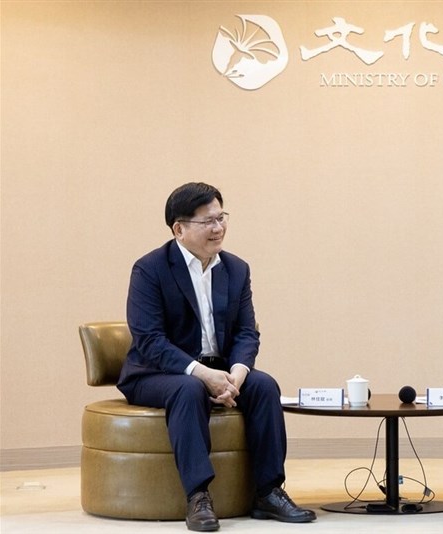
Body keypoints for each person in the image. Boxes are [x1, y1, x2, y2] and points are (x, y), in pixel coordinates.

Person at [117, 182, 316, 531]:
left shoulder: (236, 269)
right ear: (179, 229)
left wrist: (237, 374)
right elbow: (149, 339)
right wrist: (200, 373)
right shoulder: (150, 269)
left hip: (219, 369)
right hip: (154, 373)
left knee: (264, 386)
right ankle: (198, 496)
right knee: (188, 389)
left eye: (221, 218)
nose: (218, 228)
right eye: (207, 221)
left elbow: (245, 332)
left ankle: (268, 491)